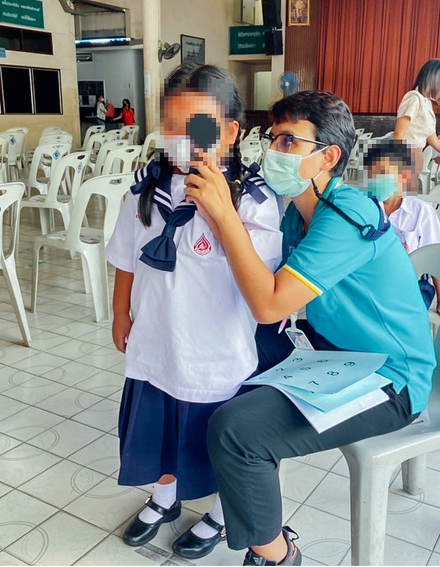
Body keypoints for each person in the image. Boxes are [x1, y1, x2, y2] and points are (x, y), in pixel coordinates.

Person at [185, 90, 437, 566]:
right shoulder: (298, 214)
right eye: (271, 139)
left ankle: (278, 553)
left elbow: (268, 303)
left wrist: (223, 214)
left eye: (288, 141)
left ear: (329, 156)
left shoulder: (348, 214)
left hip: (390, 378)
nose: (273, 152)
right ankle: (228, 502)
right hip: (331, 353)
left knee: (236, 429)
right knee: (217, 362)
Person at [103, 63, 282, 561]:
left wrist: (223, 215)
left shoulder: (253, 201)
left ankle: (224, 514)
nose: (182, 138)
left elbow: (262, 286)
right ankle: (163, 498)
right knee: (157, 436)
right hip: (157, 347)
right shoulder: (145, 193)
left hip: (218, 358)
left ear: (228, 132)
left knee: (219, 447)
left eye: (198, 127)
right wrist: (121, 315)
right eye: (172, 126)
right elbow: (125, 260)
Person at [362, 139, 440, 314]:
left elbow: (436, 255)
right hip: (371, 281)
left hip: (412, 284)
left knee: (394, 315)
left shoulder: (421, 212)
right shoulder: (363, 207)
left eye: (383, 173)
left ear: (404, 176)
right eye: (371, 174)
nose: (375, 179)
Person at [393, 59, 440, 165]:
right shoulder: (414, 98)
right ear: (435, 81)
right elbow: (398, 134)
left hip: (416, 157)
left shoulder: (426, 102)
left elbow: (434, 141)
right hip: (406, 157)